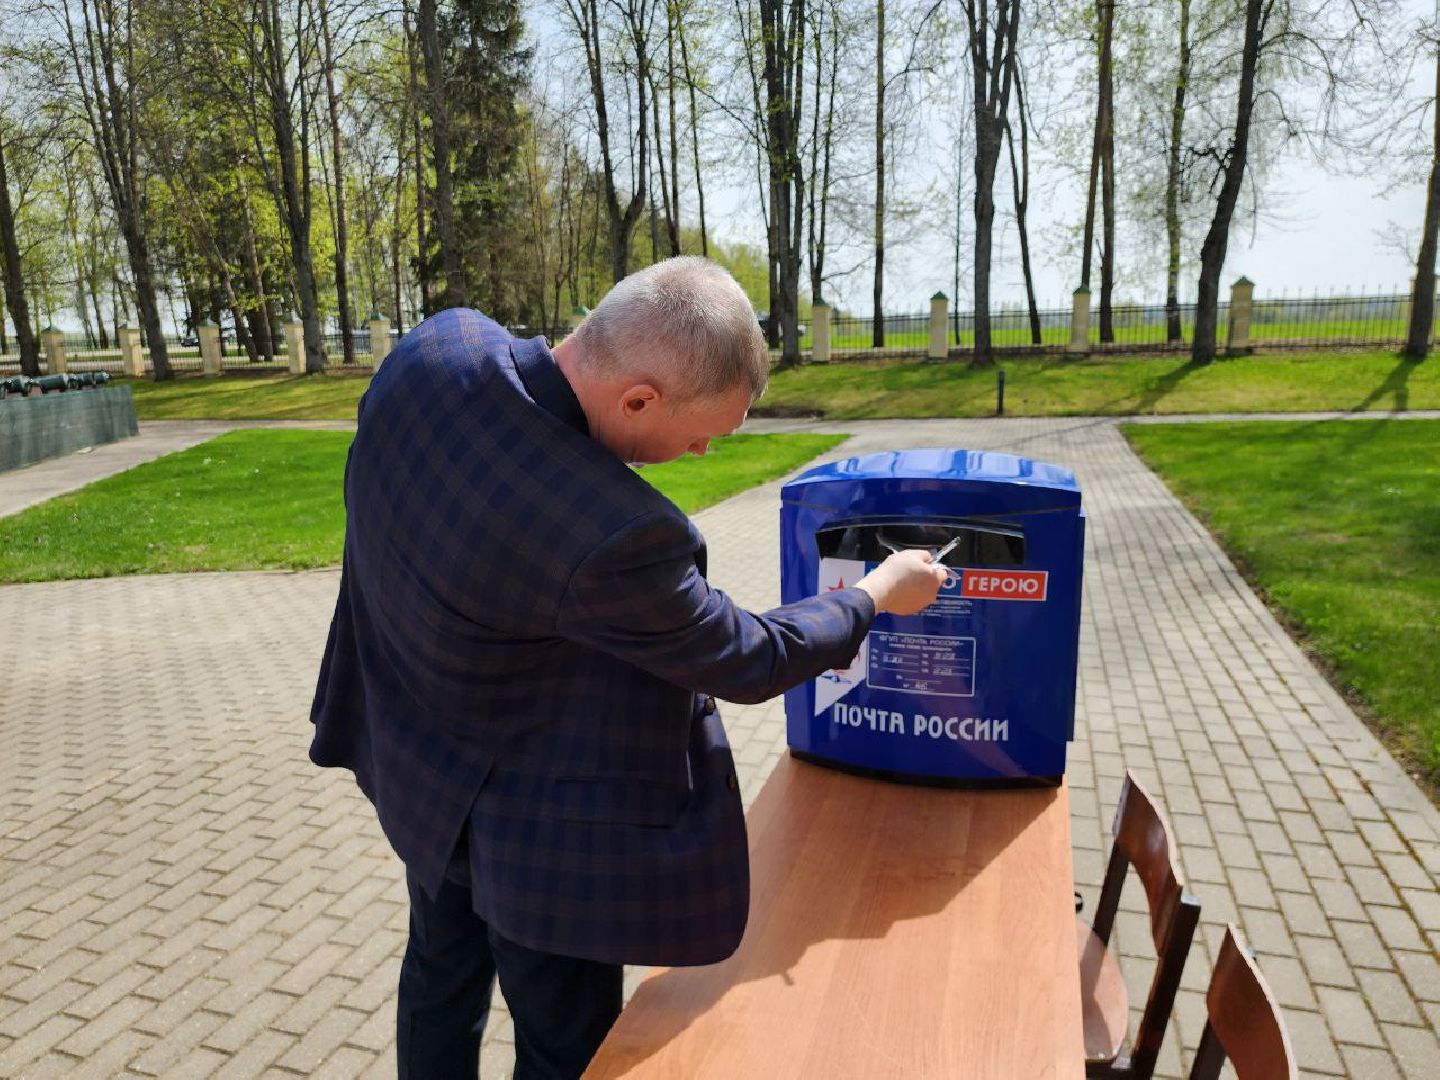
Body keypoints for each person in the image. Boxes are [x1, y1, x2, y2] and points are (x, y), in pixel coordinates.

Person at [308, 256, 948, 1079]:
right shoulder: (609, 530)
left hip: (420, 780)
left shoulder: (436, 348)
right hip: (542, 848)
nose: (703, 451)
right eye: (701, 433)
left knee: (437, 979)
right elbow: (748, 656)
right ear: (638, 397)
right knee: (564, 1046)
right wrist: (876, 591)